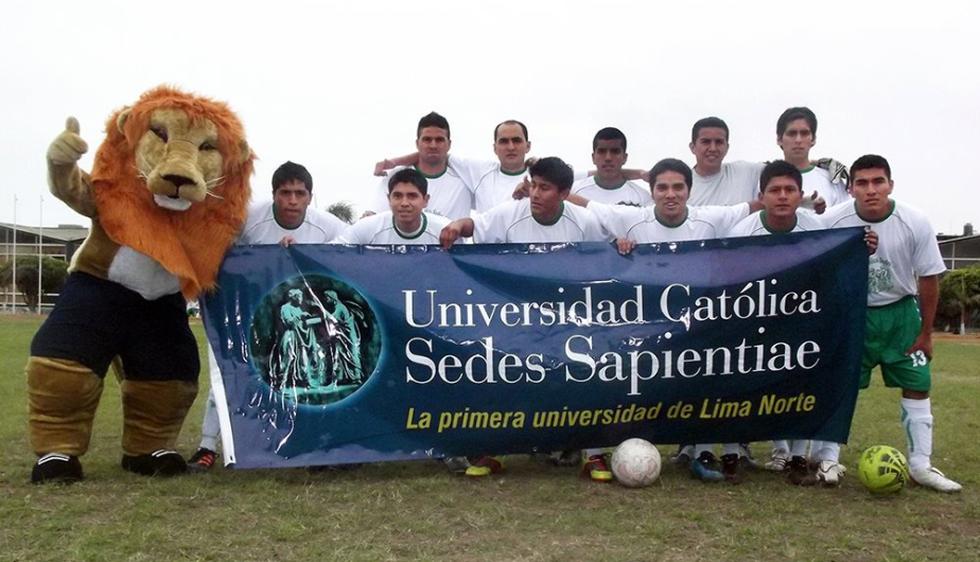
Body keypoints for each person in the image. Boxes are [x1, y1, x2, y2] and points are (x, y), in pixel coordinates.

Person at [571, 158, 758, 483]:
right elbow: (581, 201)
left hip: (694, 324)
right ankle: (596, 451)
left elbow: (756, 205)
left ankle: (701, 450)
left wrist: (811, 202)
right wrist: (616, 243)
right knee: (621, 383)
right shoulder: (630, 219)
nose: (670, 194)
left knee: (705, 381)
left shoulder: (711, 218)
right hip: (643, 328)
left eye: (677, 187)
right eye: (662, 187)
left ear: (689, 190)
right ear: (652, 191)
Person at [441, 157, 610, 482]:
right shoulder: (509, 213)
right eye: (533, 184)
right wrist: (456, 227)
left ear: (563, 193)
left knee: (586, 378)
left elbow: (604, 258)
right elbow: (473, 224)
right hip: (516, 319)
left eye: (544, 188)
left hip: (567, 319)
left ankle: (593, 454)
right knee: (500, 375)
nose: (535, 193)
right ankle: (494, 450)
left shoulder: (584, 221)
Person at [187, 161, 346, 472]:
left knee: (307, 378)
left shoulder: (328, 226)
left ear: (310, 197)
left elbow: (353, 252)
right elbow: (219, 253)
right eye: (285, 193)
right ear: (274, 195)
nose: (292, 200)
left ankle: (313, 444)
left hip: (300, 316)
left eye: (300, 193)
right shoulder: (249, 220)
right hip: (251, 311)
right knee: (228, 374)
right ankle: (207, 446)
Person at [822, 154, 961, 492]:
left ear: (890, 185)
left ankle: (920, 465)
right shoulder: (833, 220)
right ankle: (827, 459)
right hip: (854, 314)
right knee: (840, 385)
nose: (871, 190)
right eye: (863, 183)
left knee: (918, 382)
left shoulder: (914, 220)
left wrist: (926, 333)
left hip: (900, 312)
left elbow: (929, 277)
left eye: (878, 182)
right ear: (851, 188)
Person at [727, 160, 828, 485]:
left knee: (801, 383)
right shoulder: (743, 231)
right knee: (739, 382)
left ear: (800, 195)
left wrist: (863, 247)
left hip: (800, 321)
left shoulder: (817, 229)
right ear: (762, 195)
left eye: (789, 190)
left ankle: (798, 456)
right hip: (753, 322)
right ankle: (731, 451)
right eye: (775, 190)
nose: (782, 196)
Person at [376, 120, 533, 213]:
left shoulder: (540, 177)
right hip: (488, 260)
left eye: (517, 141)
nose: (511, 147)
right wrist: (394, 163)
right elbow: (434, 153)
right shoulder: (479, 171)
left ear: (528, 146)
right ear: (494, 147)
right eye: (504, 141)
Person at [369, 112, 473, 220]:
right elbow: (374, 217)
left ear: (449, 144)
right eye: (427, 139)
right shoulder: (396, 176)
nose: (433, 145)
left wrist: (395, 161)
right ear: (417, 143)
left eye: (439, 140)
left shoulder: (466, 180)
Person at [335, 168, 450, 244]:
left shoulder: (445, 231)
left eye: (412, 196)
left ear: (426, 200)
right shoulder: (367, 228)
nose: (404, 203)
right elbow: (330, 254)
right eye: (397, 196)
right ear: (388, 199)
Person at [776, 107, 850, 208]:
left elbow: (844, 220)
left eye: (804, 133)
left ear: (813, 139)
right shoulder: (763, 179)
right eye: (792, 133)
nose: (798, 140)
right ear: (779, 139)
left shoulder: (832, 180)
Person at [687, 117, 764, 206]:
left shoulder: (747, 172)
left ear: (727, 147)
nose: (713, 148)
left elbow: (781, 169)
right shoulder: (682, 186)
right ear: (692, 147)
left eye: (719, 142)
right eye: (706, 142)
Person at [569, 127, 652, 207]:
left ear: (624, 158)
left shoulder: (643, 198)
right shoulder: (574, 192)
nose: (608, 158)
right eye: (602, 151)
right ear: (593, 157)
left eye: (615, 151)